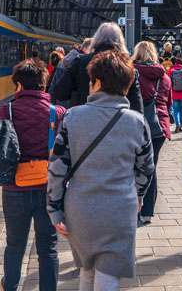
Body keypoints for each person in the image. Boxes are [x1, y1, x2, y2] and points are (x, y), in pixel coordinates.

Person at [47, 49, 155, 291]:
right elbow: (146, 169)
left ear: (95, 83)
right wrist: (138, 197)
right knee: (108, 277)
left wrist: (54, 209)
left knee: (87, 271)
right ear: (126, 86)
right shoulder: (137, 122)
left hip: (80, 210)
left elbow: (57, 167)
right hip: (120, 209)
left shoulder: (73, 118)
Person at [0, 59, 66, 291]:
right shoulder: (59, 113)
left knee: (15, 243)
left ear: (18, 86)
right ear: (44, 86)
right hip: (49, 189)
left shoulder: (7, 110)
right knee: (48, 247)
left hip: (16, 188)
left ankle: (11, 285)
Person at [52, 28, 141, 111]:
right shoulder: (127, 66)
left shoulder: (80, 61)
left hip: (83, 120)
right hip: (120, 121)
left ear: (96, 40)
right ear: (121, 41)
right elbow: (137, 105)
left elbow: (60, 93)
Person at [132, 41, 171, 225]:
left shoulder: (132, 74)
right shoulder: (165, 77)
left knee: (134, 167)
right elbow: (168, 103)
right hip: (159, 127)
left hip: (137, 126)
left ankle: (134, 208)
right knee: (151, 167)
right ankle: (147, 212)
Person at [48, 38, 90, 105]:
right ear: (85, 49)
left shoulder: (61, 64)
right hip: (74, 108)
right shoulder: (82, 64)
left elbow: (52, 88)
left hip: (59, 106)